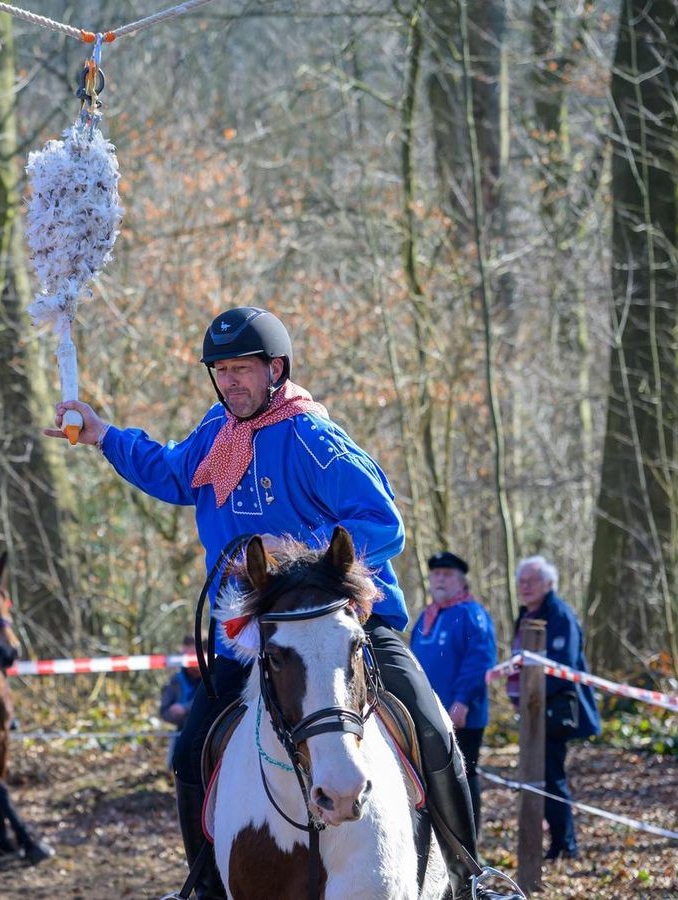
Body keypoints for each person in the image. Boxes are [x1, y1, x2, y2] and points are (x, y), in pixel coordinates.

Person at [46, 307, 483, 898]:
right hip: (255, 636)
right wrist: (103, 435)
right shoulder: (217, 431)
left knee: (431, 727)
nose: (230, 381)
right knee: (190, 750)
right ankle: (203, 883)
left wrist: (297, 552)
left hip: (341, 629)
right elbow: (173, 473)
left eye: (242, 369)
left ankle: (469, 874)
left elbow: (384, 526)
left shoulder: (313, 438)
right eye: (221, 370)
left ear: (275, 369)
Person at [508, 556, 600, 861]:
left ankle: (565, 844)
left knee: (551, 777)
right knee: (537, 776)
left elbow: (563, 665)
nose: (525, 586)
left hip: (555, 712)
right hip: (531, 713)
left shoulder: (560, 615)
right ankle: (553, 841)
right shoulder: (524, 615)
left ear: (549, 584)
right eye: (521, 581)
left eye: (532, 580)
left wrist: (534, 696)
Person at [411, 552, 498, 830]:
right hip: (428, 714)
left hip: (461, 714)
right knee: (433, 777)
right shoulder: (427, 617)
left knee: (463, 774)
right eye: (436, 574)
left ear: (461, 582)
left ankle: (469, 839)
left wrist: (462, 701)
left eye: (447, 574)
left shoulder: (472, 615)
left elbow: (479, 661)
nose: (439, 579)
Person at [158, 635, 202, 770]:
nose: (190, 657)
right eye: (187, 653)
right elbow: (164, 711)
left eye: (193, 653)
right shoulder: (176, 680)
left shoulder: (215, 678)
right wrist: (178, 714)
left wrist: (185, 708)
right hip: (182, 734)